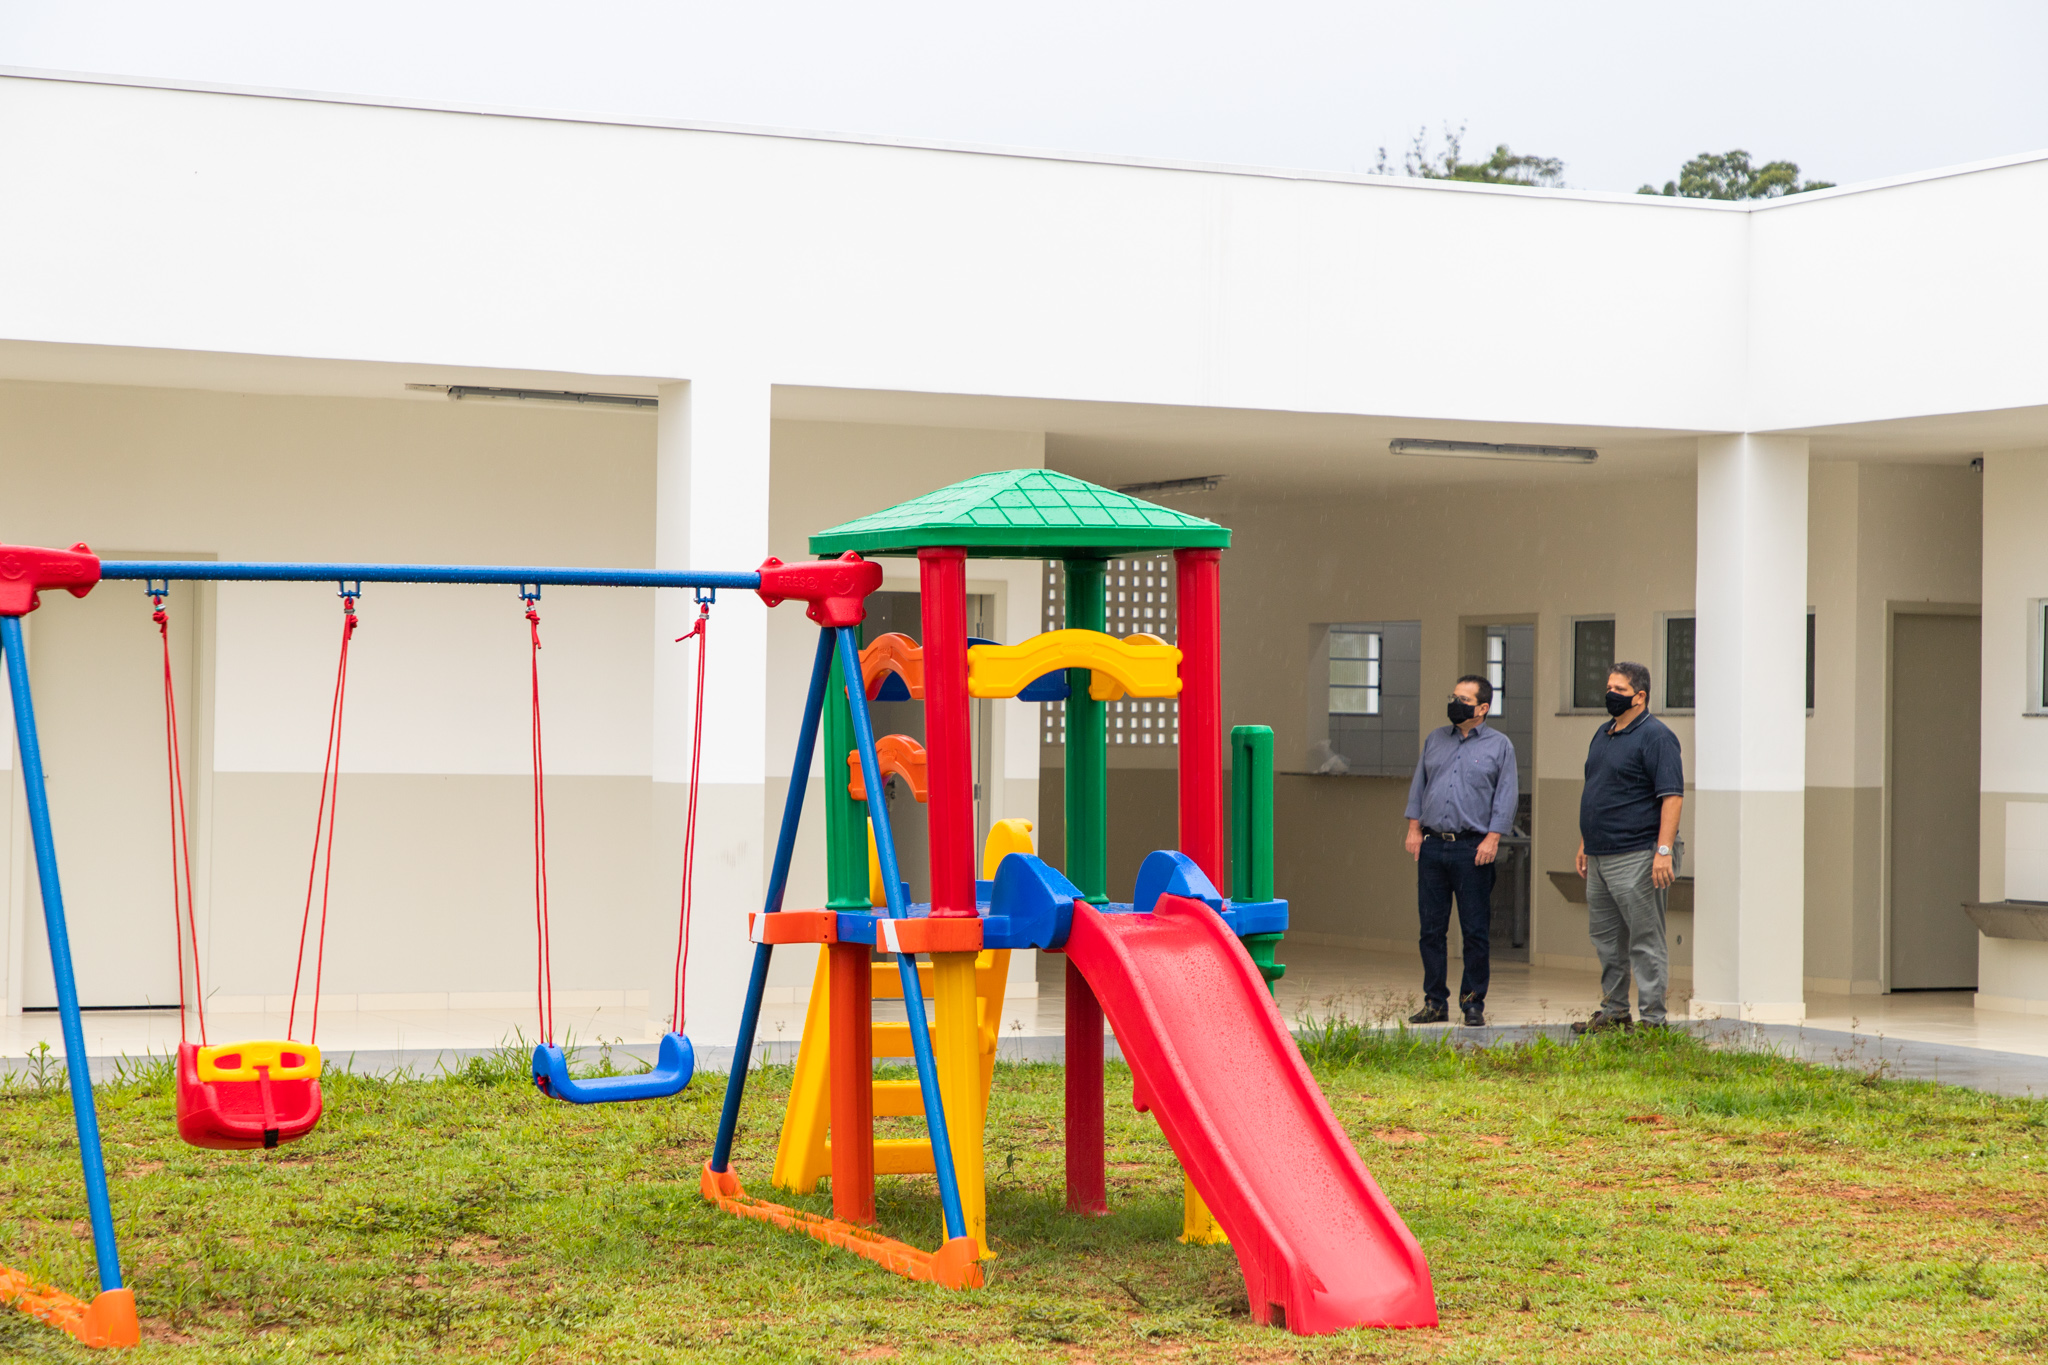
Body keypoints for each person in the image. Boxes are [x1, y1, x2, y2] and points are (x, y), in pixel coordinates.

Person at [1571, 661, 1684, 1033]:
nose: (1610, 695)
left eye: (1618, 690)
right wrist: (1586, 842)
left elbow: (1672, 797)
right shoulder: (1603, 734)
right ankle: (1615, 1012)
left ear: (1640, 696)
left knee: (1645, 940)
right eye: (1609, 687)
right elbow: (1598, 791)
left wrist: (1663, 851)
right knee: (1606, 940)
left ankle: (1653, 1021)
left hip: (1637, 854)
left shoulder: (1656, 736)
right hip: (1600, 855)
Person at [1402, 674, 1519, 1026]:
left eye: (1464, 699)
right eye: (1453, 696)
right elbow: (1419, 785)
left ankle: (1472, 1003)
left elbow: (1507, 795)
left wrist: (1493, 838)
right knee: (1431, 931)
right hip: (1433, 846)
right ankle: (1435, 1001)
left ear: (1483, 708)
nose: (1456, 703)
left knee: (1475, 931)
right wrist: (1413, 828)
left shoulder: (1500, 746)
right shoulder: (1435, 739)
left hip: (1473, 849)